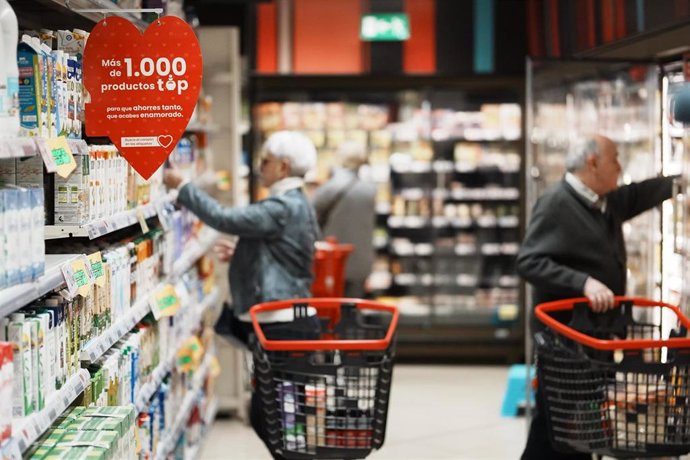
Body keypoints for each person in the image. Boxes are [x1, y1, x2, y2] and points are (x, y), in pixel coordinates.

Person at [163, 130, 320, 460]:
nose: (261, 167)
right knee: (277, 412)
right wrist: (244, 255)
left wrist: (183, 186)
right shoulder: (296, 203)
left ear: (283, 166)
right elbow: (283, 252)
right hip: (286, 317)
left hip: (281, 321)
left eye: (265, 161)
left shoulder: (282, 205)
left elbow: (225, 218)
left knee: (275, 413)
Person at [516, 134, 675, 459]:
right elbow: (529, 261)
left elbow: (636, 195)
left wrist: (678, 182)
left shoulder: (603, 200)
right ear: (593, 163)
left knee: (573, 426)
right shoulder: (557, 204)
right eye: (615, 159)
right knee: (560, 427)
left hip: (593, 339)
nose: (620, 167)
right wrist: (583, 283)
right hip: (565, 341)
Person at [311, 141, 376, 298]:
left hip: (333, 261)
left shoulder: (330, 187)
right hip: (361, 262)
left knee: (330, 311)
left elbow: (310, 216)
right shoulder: (370, 189)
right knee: (353, 309)